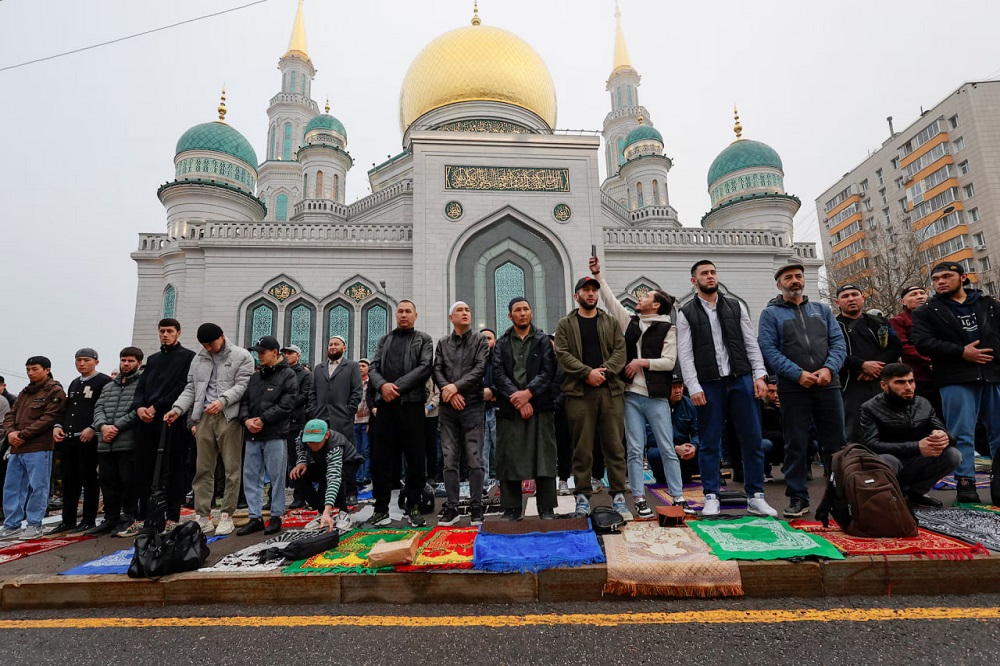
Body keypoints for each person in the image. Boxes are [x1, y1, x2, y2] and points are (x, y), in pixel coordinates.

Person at [677, 260, 777, 517]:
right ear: (694, 280)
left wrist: (760, 375)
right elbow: (685, 354)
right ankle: (711, 495)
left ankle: (756, 495)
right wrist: (693, 386)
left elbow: (750, 342)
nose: (710, 277)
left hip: (741, 378)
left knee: (752, 438)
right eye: (704, 274)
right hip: (709, 383)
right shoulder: (686, 312)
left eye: (713, 272)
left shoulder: (736, 305)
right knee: (710, 441)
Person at [589, 256, 683, 519]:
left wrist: (641, 362)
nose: (639, 299)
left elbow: (669, 362)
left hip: (655, 397)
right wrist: (598, 276)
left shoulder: (667, 328)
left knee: (666, 447)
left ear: (655, 305)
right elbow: (611, 301)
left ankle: (678, 497)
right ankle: (640, 499)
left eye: (645, 297)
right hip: (630, 395)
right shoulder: (630, 322)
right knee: (633, 449)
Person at [758, 263, 847, 518]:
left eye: (798, 276)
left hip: (827, 384)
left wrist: (829, 369)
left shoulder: (822, 310)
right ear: (779, 284)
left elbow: (837, 343)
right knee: (795, 443)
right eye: (788, 278)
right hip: (793, 389)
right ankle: (798, 497)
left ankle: (839, 495)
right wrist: (797, 374)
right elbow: (769, 350)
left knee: (836, 444)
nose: (795, 281)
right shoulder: (771, 314)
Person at [912, 261, 1000, 505]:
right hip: (956, 377)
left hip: (992, 375)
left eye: (947, 276)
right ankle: (966, 486)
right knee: (961, 434)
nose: (940, 281)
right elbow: (923, 342)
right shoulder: (927, 311)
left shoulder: (988, 304)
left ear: (963, 277)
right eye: (936, 278)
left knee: (998, 432)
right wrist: (961, 352)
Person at [165, 323, 254, 536]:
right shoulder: (199, 358)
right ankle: (202, 516)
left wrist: (223, 401)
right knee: (203, 468)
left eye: (211, 343)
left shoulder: (241, 356)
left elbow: (243, 385)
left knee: (232, 468)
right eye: (204, 344)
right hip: (204, 416)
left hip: (228, 416)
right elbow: (191, 388)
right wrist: (177, 409)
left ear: (222, 337)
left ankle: (226, 515)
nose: (208, 348)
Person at [554, 274, 629, 519]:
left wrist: (603, 373)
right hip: (579, 392)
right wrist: (587, 373)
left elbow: (620, 350)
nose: (590, 294)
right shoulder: (566, 324)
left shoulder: (610, 322)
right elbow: (563, 354)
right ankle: (583, 497)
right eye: (585, 290)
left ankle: (618, 494)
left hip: (609, 390)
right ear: (577, 296)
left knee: (614, 446)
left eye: (593, 290)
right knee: (582, 448)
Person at [367, 299, 434, 527]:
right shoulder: (384, 340)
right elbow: (374, 368)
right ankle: (381, 508)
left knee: (415, 459)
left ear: (416, 315)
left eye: (408, 312)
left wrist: (395, 388)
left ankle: (413, 506)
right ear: (396, 315)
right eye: (400, 311)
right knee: (381, 460)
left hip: (412, 406)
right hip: (386, 407)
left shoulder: (423, 339)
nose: (403, 315)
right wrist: (383, 386)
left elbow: (425, 367)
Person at [127, 318, 196, 537]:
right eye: (162, 331)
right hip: (146, 421)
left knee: (173, 468)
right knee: (143, 469)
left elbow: (182, 387)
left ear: (178, 333)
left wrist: (157, 407)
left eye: (169, 331)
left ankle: (172, 517)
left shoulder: (187, 357)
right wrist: (139, 408)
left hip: (170, 419)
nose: (165, 335)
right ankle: (143, 517)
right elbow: (142, 387)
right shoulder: (153, 359)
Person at [491, 298, 558, 520]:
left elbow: (548, 371)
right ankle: (511, 509)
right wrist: (517, 398)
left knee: (544, 457)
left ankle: (546, 508)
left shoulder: (543, 341)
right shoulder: (501, 343)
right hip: (511, 408)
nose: (522, 313)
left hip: (539, 406)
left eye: (526, 309)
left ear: (531, 312)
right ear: (510, 316)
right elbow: (498, 375)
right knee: (509, 457)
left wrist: (528, 394)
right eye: (517, 310)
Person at [859, 363, 960, 507]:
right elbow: (871, 445)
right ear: (884, 385)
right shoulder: (870, 408)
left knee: (953, 455)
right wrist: (917, 447)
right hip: (890, 461)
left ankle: (915, 494)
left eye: (911, 381)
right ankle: (888, 498)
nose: (908, 387)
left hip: (917, 461)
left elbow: (948, 435)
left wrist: (943, 437)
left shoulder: (923, 403)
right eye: (900, 382)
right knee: (886, 460)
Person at [433, 302, 489, 526]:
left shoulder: (479, 341)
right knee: (449, 459)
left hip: (472, 405)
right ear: (451, 317)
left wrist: (455, 388)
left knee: (475, 458)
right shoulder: (443, 343)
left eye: (468, 310)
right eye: (460, 310)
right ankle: (453, 506)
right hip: (448, 409)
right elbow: (437, 369)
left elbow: (480, 368)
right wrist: (450, 391)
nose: (466, 313)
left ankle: (476, 505)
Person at [46, 349, 112, 535]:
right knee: (69, 480)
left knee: (89, 479)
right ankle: (68, 520)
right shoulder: (75, 383)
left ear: (96, 362)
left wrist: (93, 427)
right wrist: (58, 425)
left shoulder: (103, 381)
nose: (81, 363)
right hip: (69, 437)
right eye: (78, 360)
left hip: (89, 437)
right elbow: (67, 409)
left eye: (86, 360)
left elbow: (104, 407)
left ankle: (88, 519)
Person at [237, 336, 298, 536]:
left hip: (274, 433)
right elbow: (245, 401)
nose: (259, 356)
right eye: (258, 353)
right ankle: (254, 516)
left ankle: (276, 515)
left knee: (277, 476)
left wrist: (263, 420)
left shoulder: (288, 375)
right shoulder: (256, 377)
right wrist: (246, 419)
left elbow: (287, 404)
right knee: (251, 476)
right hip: (253, 434)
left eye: (262, 352)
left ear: (274, 352)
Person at [0, 357, 66, 540]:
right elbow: (10, 414)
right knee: (12, 487)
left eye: (34, 369)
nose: (30, 372)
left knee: (39, 487)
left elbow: (48, 419)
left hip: (38, 447)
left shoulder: (55, 391)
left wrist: (21, 435)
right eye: (28, 369)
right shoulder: (25, 392)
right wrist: (10, 433)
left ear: (46, 370)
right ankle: (11, 524)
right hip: (17, 448)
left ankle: (34, 524)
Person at [834, 284, 902, 441]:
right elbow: (833, 351)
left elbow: (896, 347)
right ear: (838, 303)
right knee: (857, 431)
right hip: (851, 384)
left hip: (881, 382)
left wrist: (876, 367)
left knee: (889, 428)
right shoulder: (833, 325)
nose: (851, 299)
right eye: (845, 296)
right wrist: (861, 365)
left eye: (854, 294)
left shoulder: (879, 322)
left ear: (862, 298)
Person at [89, 348, 145, 536]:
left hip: (127, 442)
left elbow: (137, 410)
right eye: (123, 360)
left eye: (130, 360)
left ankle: (128, 517)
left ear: (138, 362)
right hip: (105, 442)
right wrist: (103, 426)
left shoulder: (141, 384)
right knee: (107, 481)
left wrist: (117, 427)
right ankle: (110, 518)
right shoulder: (109, 386)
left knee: (128, 482)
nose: (126, 364)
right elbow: (98, 407)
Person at [307, 336, 363, 507]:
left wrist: (348, 412)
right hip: (321, 420)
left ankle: (351, 492)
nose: (332, 347)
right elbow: (312, 392)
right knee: (323, 458)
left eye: (336, 344)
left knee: (346, 457)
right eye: (330, 344)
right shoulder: (319, 368)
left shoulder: (351, 366)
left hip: (342, 419)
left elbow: (357, 391)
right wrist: (313, 412)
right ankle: (326, 495)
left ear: (344, 348)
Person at [290, 419, 350, 533]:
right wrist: (301, 462)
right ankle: (321, 511)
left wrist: (329, 509)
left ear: (326, 435)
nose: (312, 445)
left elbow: (334, 478)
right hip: (321, 462)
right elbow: (300, 447)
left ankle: (343, 511)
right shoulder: (302, 436)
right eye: (309, 441)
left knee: (338, 476)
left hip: (346, 465)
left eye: (316, 441)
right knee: (296, 474)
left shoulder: (335, 445)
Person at [890, 285, 941, 416]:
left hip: (945, 373)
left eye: (922, 293)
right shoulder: (898, 321)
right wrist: (929, 361)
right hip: (919, 377)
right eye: (913, 294)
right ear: (903, 301)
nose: (919, 297)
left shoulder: (939, 315)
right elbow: (904, 346)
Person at [648, 372, 700, 486]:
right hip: (665, 448)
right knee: (654, 453)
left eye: (680, 387)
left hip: (684, 449)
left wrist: (693, 447)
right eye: (674, 388)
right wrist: (675, 448)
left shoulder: (689, 405)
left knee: (704, 449)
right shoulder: (655, 405)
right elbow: (650, 437)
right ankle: (661, 479)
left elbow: (697, 432)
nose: (678, 391)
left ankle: (687, 477)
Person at [280, 343, 313, 510]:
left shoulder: (305, 375)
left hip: (296, 422)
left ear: (298, 356)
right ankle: (275, 497)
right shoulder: (280, 372)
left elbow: (305, 396)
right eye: (284, 353)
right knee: (278, 461)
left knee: (296, 460)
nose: (287, 355)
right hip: (279, 422)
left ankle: (300, 496)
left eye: (290, 353)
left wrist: (284, 404)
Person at [480, 328, 498, 485]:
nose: (486, 341)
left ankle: (504, 484)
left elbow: (504, 378)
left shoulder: (500, 359)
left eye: (489, 338)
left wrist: (493, 390)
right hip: (479, 410)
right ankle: (483, 485)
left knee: (500, 449)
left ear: (495, 341)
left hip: (497, 409)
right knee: (481, 452)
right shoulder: (474, 361)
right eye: (483, 338)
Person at [760, 377, 784, 480]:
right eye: (771, 391)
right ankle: (765, 470)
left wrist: (782, 411)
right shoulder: (761, 408)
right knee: (763, 444)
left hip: (787, 444)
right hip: (773, 442)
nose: (775, 396)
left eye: (778, 392)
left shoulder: (790, 407)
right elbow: (760, 432)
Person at [354, 358, 371, 488]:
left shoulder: (371, 384)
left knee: (366, 450)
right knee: (356, 450)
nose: (360, 368)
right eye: (359, 366)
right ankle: (358, 476)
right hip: (354, 420)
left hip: (366, 420)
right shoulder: (354, 383)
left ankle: (366, 475)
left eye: (363, 366)